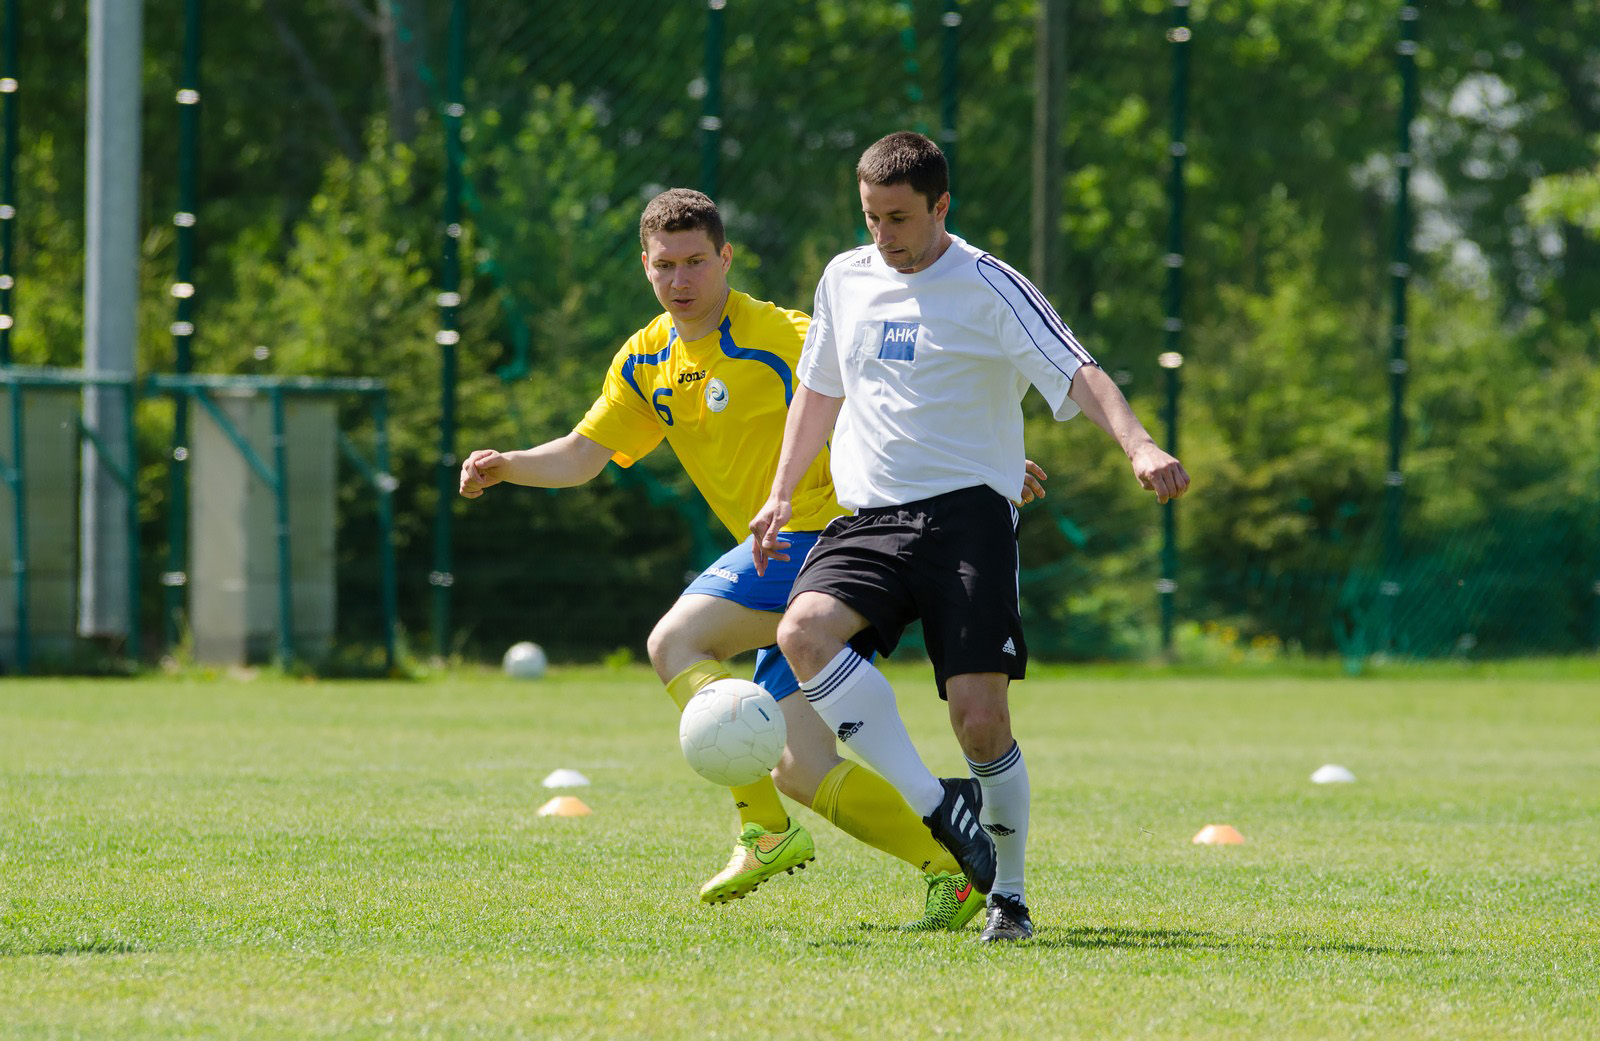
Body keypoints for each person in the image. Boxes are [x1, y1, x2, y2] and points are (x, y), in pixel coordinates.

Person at [460, 188, 1046, 930]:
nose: (681, 280)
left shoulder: (781, 334)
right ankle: (952, 867)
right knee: (798, 765)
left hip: (832, 537)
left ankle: (762, 831)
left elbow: (887, 386)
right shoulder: (646, 359)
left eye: (696, 262)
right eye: (665, 265)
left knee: (676, 640)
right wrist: (507, 463)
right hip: (778, 551)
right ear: (645, 266)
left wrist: (979, 458)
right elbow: (583, 454)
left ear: (725, 258)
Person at [750, 132, 1191, 943]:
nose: (885, 237)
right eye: (872, 218)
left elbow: (1078, 369)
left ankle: (1010, 896)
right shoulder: (844, 279)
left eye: (901, 219)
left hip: (967, 520)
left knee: (980, 720)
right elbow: (818, 388)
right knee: (803, 632)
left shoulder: (990, 283)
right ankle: (935, 805)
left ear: (942, 206)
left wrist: (1140, 444)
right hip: (869, 518)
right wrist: (781, 492)